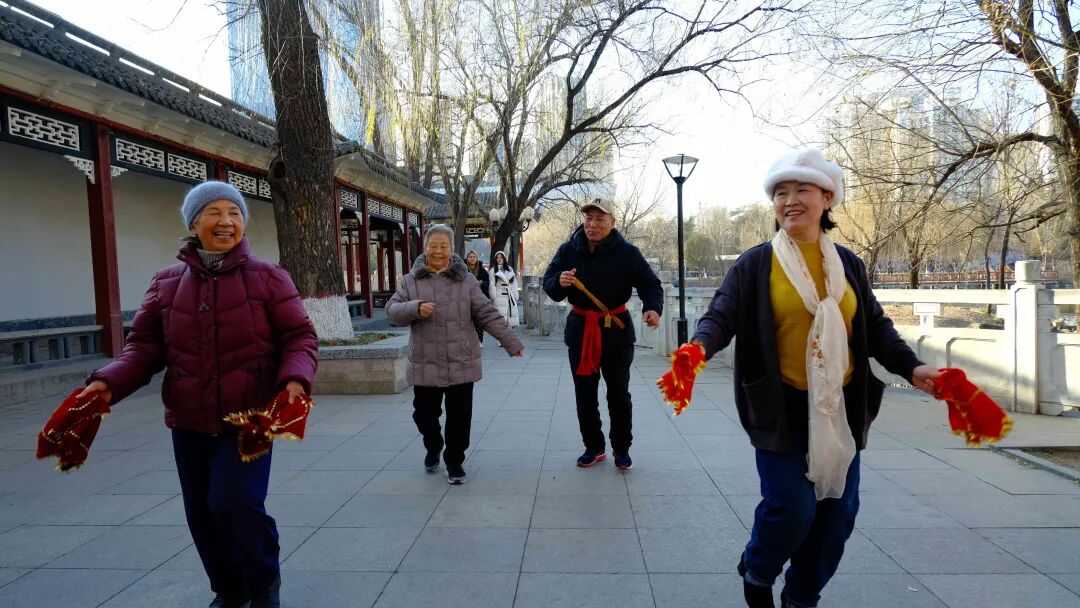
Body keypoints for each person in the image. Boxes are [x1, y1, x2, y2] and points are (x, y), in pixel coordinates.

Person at [689, 149, 939, 608]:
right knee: (792, 507)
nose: (789, 201)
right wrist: (697, 349)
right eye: (780, 193)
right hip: (779, 407)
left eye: (801, 190)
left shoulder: (847, 264)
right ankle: (758, 569)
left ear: (827, 198)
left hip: (838, 408)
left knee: (837, 516)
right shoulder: (756, 263)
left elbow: (874, 326)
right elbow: (721, 314)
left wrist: (913, 367)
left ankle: (802, 598)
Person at [77, 180, 318, 608]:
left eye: (235, 213)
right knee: (202, 512)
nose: (226, 221)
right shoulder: (166, 283)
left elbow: (299, 336)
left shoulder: (268, 277)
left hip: (249, 419)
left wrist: (294, 380)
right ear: (193, 223)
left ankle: (263, 583)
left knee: (236, 502)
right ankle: (229, 589)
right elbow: (143, 347)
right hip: (188, 419)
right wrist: (107, 383)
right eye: (214, 212)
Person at [387, 225, 524, 484]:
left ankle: (454, 461)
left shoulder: (467, 281)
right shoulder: (410, 281)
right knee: (423, 415)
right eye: (433, 246)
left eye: (444, 246)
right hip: (425, 361)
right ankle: (433, 444)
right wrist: (414, 308)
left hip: (461, 359)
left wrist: (510, 341)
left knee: (460, 418)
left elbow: (486, 313)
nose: (438, 251)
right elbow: (393, 311)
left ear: (452, 250)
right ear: (425, 248)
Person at [542, 198, 662, 472]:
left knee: (618, 394)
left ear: (613, 222)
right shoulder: (568, 249)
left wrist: (652, 308)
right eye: (588, 218)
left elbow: (650, 284)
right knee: (584, 394)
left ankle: (622, 449)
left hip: (616, 331)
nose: (592, 224)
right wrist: (559, 281)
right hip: (581, 330)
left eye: (599, 219)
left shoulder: (628, 253)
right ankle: (593, 447)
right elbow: (550, 283)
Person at [465, 250, 491, 345]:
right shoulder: (463, 269)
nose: (472, 259)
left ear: (477, 258)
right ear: (467, 259)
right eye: (470, 257)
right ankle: (468, 340)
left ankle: (479, 340)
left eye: (474, 257)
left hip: (479, 297)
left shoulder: (482, 270)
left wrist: (481, 282)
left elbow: (488, 283)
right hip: (466, 297)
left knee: (479, 319)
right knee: (467, 320)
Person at [489, 250, 518, 327]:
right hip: (499, 297)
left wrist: (515, 296)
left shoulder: (510, 270)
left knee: (510, 321)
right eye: (497, 258)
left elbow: (514, 284)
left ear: (504, 259)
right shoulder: (493, 270)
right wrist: (493, 297)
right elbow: (492, 284)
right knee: (500, 321)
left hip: (509, 296)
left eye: (501, 257)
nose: (499, 259)